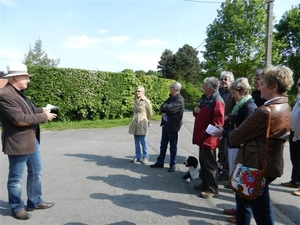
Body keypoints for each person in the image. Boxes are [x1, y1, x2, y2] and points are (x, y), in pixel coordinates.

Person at [228, 65, 294, 225]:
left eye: (262, 84)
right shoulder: (284, 106)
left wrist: (244, 138)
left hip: (256, 166)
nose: (259, 87)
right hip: (268, 164)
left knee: (261, 212)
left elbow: (234, 137)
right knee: (244, 200)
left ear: (273, 86)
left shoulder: (265, 111)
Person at [0, 63, 57, 220]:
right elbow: (19, 119)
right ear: (17, 77)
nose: (28, 81)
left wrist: (41, 110)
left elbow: (26, 111)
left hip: (31, 141)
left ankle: (34, 201)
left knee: (36, 172)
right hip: (18, 143)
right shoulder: (5, 95)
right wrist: (43, 117)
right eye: (26, 77)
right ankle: (16, 207)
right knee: (15, 179)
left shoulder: (17, 92)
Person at [211, 78, 257, 223]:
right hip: (234, 144)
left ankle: (241, 214)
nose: (232, 96)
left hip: (240, 147)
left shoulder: (249, 106)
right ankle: (237, 208)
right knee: (235, 179)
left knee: (239, 181)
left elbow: (244, 131)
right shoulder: (241, 104)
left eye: (234, 93)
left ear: (243, 92)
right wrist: (225, 128)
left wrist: (224, 132)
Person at [192, 77, 225, 199]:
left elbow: (218, 121)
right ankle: (205, 183)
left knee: (210, 164)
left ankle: (212, 189)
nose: (203, 87)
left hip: (209, 137)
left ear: (210, 88)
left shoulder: (217, 100)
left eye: (204, 86)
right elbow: (202, 112)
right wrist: (196, 111)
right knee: (203, 162)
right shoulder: (206, 98)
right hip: (203, 136)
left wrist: (207, 133)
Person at [150, 81, 184, 172]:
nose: (169, 89)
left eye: (171, 87)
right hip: (166, 125)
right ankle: (160, 162)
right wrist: (166, 107)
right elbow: (163, 107)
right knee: (163, 145)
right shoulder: (171, 98)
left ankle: (173, 164)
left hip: (173, 126)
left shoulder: (179, 100)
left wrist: (166, 107)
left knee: (173, 146)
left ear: (175, 89)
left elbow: (169, 109)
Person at [281, 78, 300, 195]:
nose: (299, 87)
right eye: (298, 84)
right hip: (294, 133)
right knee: (295, 159)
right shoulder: (298, 98)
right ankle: (295, 181)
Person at [217, 71, 236, 181]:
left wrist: (226, 117)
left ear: (231, 81)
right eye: (222, 79)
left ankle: (227, 171)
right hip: (217, 125)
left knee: (225, 149)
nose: (223, 81)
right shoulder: (218, 92)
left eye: (226, 79)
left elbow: (235, 110)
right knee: (220, 148)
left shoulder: (232, 94)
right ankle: (221, 167)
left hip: (227, 125)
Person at [129, 86, 153, 164]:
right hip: (135, 121)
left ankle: (145, 157)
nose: (137, 92)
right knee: (136, 141)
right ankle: (137, 156)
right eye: (136, 91)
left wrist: (148, 120)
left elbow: (150, 112)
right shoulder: (135, 100)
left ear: (143, 92)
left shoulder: (146, 101)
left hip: (142, 122)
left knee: (143, 141)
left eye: (139, 91)